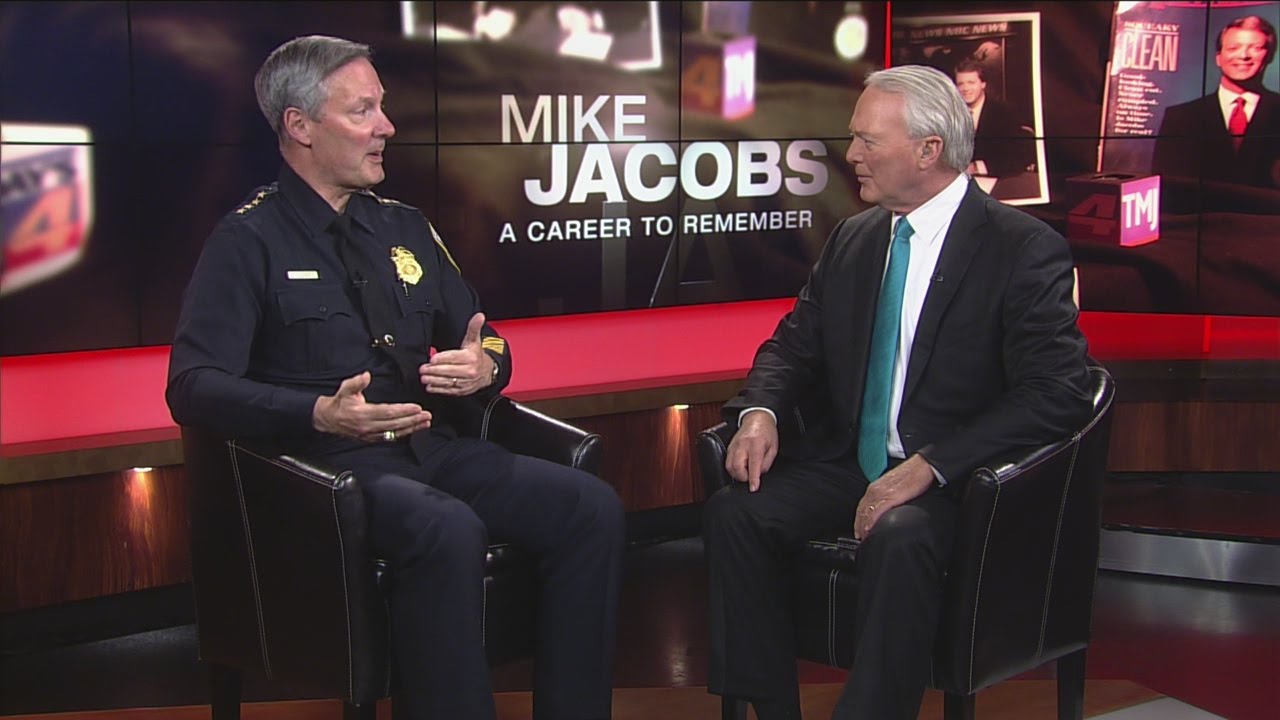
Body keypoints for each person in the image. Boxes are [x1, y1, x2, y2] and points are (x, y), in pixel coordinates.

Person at [165, 35, 624, 720]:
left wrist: (484, 366)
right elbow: (192, 385)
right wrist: (317, 413)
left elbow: (482, 334)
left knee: (591, 508)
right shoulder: (246, 242)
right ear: (300, 127)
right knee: (447, 529)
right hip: (331, 475)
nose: (387, 127)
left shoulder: (405, 228)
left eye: (382, 107)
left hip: (435, 451)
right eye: (363, 111)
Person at [703, 65, 1093, 720]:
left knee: (901, 533)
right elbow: (791, 346)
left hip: (962, 481)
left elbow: (1059, 391)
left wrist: (931, 464)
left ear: (928, 150)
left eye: (866, 141)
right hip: (849, 463)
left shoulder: (1021, 249)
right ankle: (771, 711)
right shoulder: (856, 238)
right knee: (734, 512)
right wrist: (760, 412)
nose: (850, 155)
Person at [1152, 15, 1280, 189]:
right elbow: (1167, 189)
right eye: (1234, 48)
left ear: (1270, 55)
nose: (1243, 55)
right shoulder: (1181, 117)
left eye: (1256, 48)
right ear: (1218, 57)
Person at [952, 58, 1035, 179]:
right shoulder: (950, 114)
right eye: (960, 84)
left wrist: (976, 167)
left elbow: (1017, 159)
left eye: (971, 82)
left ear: (983, 84)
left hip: (996, 181)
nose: (965, 89)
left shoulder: (1004, 113)